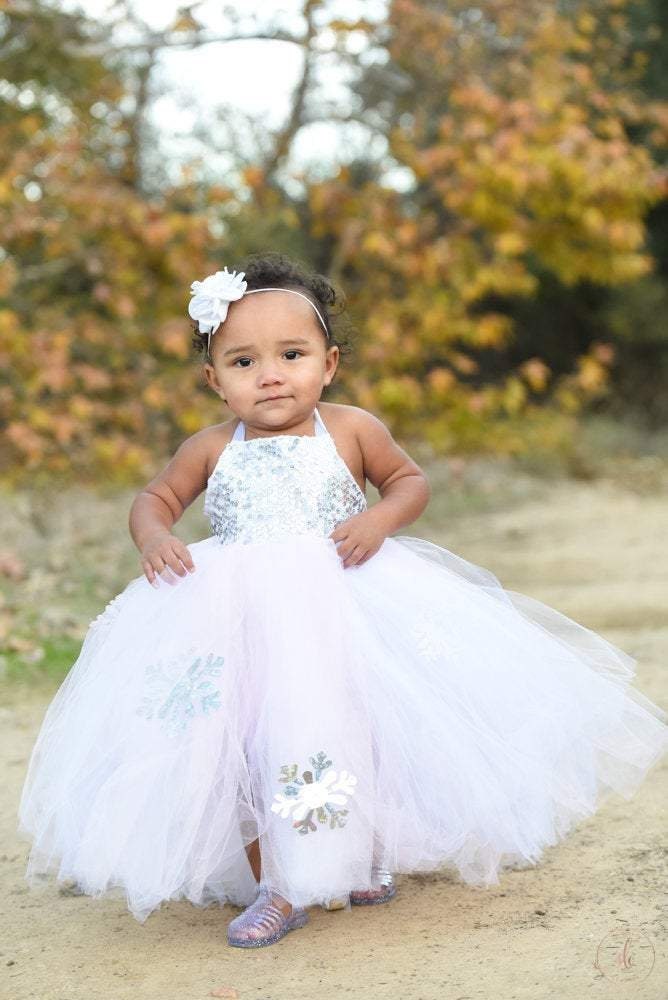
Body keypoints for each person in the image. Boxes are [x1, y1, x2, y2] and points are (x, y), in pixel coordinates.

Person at [17, 252, 668, 949]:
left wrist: (378, 521)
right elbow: (157, 498)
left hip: (342, 600)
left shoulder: (351, 428)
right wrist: (153, 537)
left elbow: (408, 482)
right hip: (238, 617)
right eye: (242, 363)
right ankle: (281, 885)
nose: (269, 374)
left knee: (360, 727)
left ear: (328, 363)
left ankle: (360, 859)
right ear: (214, 379)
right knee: (246, 744)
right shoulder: (210, 447)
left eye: (290, 354)